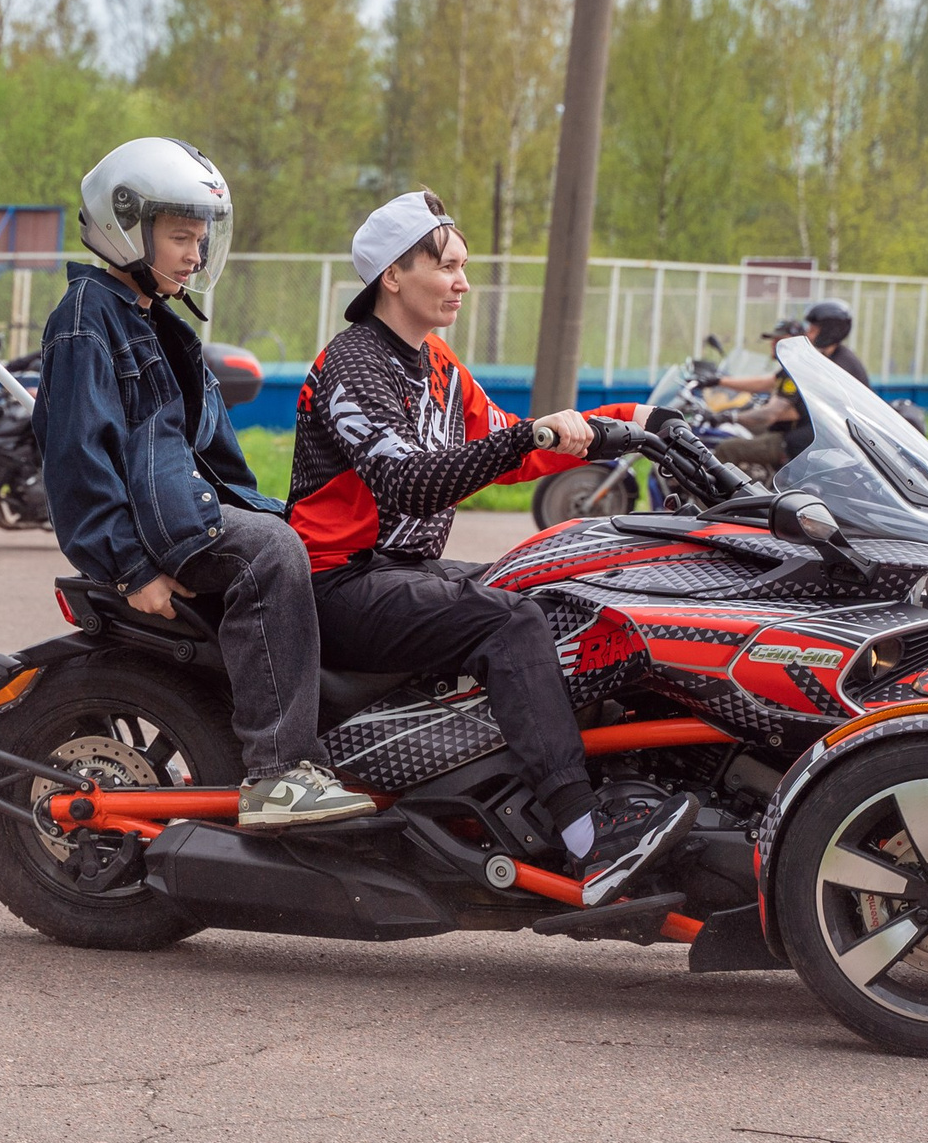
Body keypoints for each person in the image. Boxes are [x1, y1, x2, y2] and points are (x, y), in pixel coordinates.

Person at [288, 190, 696, 905]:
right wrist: (524, 437)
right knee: (508, 622)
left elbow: (513, 443)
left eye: (462, 266)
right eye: (446, 266)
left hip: (402, 572)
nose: (462, 282)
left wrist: (636, 421)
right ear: (392, 275)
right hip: (338, 584)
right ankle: (583, 835)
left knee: (560, 589)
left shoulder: (438, 365)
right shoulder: (352, 365)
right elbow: (409, 482)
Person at [35, 137, 372, 828]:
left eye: (200, 237)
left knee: (318, 541)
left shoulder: (157, 322)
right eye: (181, 236)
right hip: (157, 529)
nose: (194, 253)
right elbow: (77, 455)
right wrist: (128, 564)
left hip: (185, 508)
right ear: (127, 227)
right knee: (268, 551)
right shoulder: (86, 318)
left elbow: (217, 459)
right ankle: (278, 772)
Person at [703, 298, 869, 473]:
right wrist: (719, 381)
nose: (808, 335)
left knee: (728, 448)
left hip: (822, 440)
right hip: (822, 437)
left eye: (812, 330)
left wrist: (729, 416)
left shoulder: (834, 365)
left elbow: (775, 413)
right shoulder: (826, 359)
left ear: (830, 331)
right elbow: (768, 382)